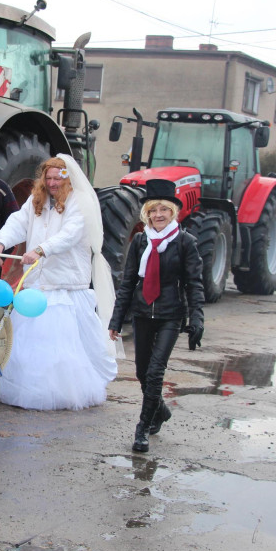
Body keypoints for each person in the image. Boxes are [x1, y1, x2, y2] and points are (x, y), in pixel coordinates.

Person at [0, 155, 118, 410]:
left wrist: (41, 249)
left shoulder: (78, 202)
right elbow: (18, 223)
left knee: (59, 349)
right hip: (35, 285)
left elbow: (71, 234)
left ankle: (57, 392)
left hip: (63, 283)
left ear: (67, 179)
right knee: (26, 346)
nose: (53, 183)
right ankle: (22, 388)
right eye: (49, 178)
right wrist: (0, 243)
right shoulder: (37, 200)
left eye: (58, 178)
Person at [108, 178, 204, 453]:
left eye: (163, 210)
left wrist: (197, 319)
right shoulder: (140, 241)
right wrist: (116, 321)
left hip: (171, 315)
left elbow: (194, 285)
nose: (158, 215)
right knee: (141, 371)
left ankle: (142, 428)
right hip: (141, 313)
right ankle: (159, 409)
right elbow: (127, 283)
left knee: (155, 372)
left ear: (173, 212)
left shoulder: (186, 242)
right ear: (146, 213)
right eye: (153, 210)